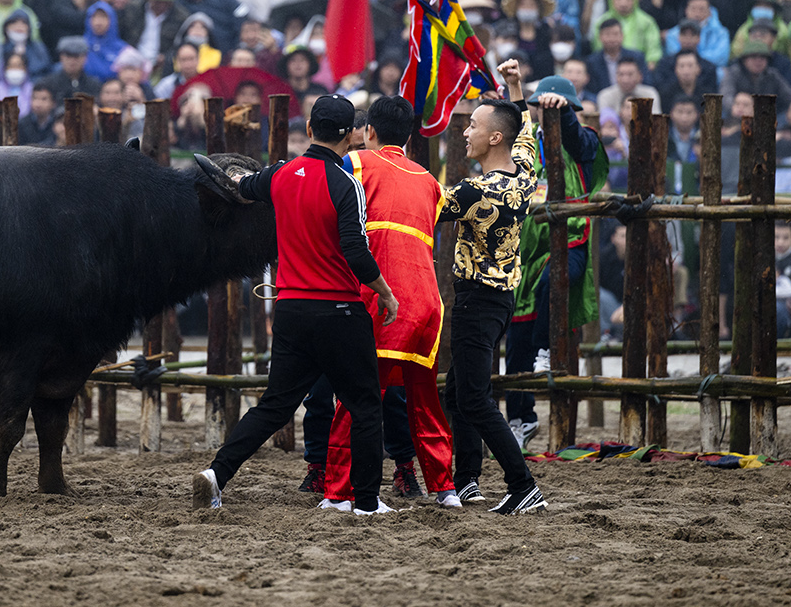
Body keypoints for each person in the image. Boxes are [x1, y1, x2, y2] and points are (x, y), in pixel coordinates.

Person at [193, 95, 400, 515]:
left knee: (274, 406)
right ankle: (366, 502)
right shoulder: (347, 185)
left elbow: (237, 185)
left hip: (290, 311)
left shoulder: (279, 175)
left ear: (308, 128)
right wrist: (386, 292)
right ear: (351, 136)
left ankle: (217, 473)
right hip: (339, 312)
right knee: (363, 406)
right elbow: (356, 252)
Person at [321, 96, 459, 510]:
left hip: (381, 301)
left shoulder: (357, 163)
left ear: (370, 132)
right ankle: (444, 487)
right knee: (426, 400)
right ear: (412, 135)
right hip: (426, 304)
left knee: (356, 399)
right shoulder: (430, 181)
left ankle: (338, 491)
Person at [435, 59, 547, 514]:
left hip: (475, 303)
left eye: (474, 126)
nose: (466, 131)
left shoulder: (474, 192)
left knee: (474, 399)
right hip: (499, 301)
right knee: (457, 393)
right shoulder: (522, 176)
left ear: (493, 138)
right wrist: (515, 84)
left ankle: (523, 486)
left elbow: (421, 205)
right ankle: (467, 481)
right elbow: (525, 131)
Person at [506, 75, 606, 444]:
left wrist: (563, 117)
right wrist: (512, 88)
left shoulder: (585, 141)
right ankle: (521, 419)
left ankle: (547, 347)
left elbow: (579, 142)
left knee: (555, 282)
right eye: (539, 108)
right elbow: (514, 122)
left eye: (554, 108)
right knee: (516, 341)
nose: (542, 114)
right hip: (525, 250)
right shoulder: (526, 145)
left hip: (569, 241)